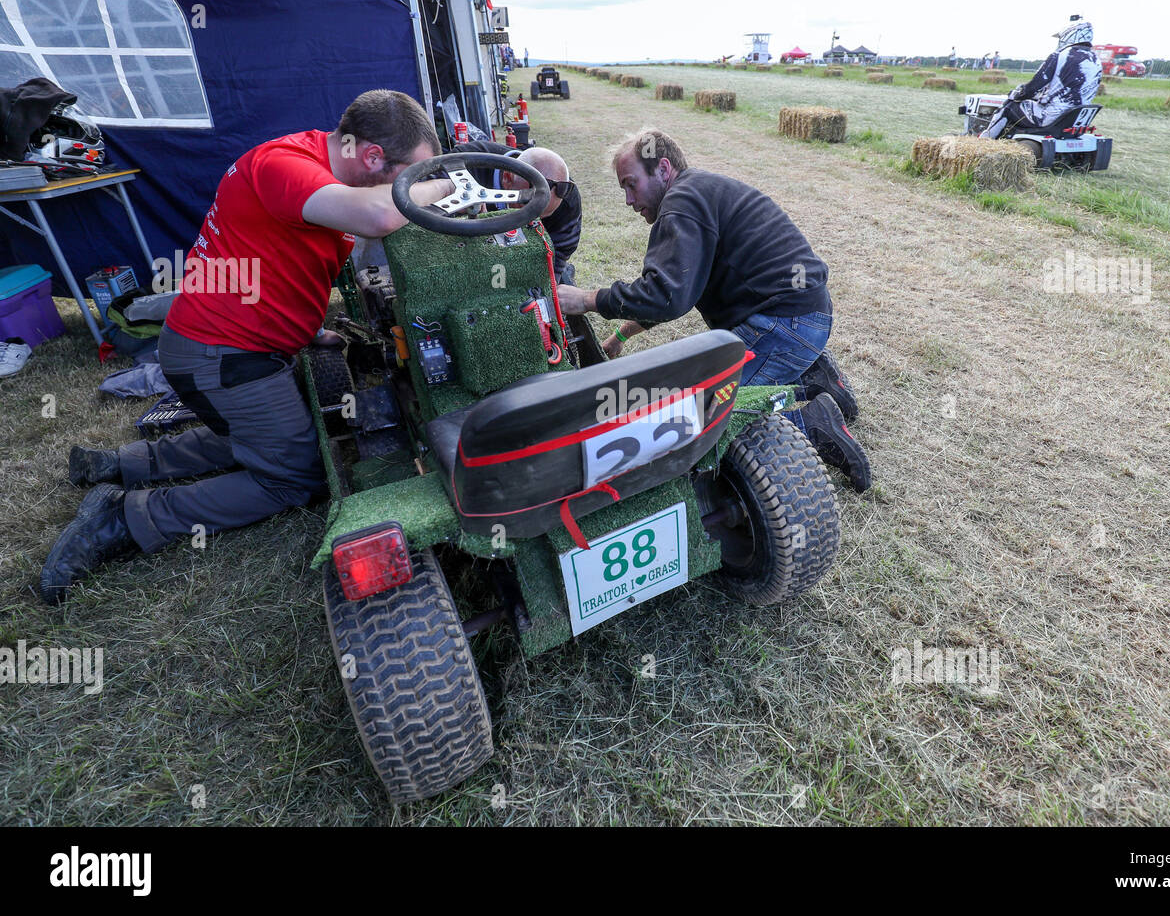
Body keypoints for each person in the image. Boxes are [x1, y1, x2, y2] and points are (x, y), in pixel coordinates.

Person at [40, 90, 455, 604]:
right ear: (372, 156)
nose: (408, 186)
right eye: (406, 175)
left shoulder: (315, 170)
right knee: (295, 477)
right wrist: (447, 183)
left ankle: (123, 462)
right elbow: (379, 217)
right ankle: (122, 517)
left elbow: (281, 261)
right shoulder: (283, 165)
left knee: (268, 432)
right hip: (219, 357)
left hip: (230, 351)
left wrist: (308, 331)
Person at [555, 130, 871, 492]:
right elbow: (681, 287)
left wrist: (586, 299)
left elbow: (665, 295)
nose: (628, 200)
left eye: (631, 184)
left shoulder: (681, 202)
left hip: (785, 324)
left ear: (662, 169)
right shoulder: (698, 191)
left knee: (698, 412)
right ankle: (814, 376)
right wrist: (620, 336)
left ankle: (813, 424)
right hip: (805, 313)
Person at [450, 140, 583, 282]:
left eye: (542, 218)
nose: (532, 223)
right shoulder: (466, 163)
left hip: (530, 257)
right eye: (526, 210)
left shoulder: (568, 200)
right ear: (507, 178)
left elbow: (560, 252)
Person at [979, 18, 1101, 140]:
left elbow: (1034, 86)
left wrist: (1018, 94)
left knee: (1009, 107)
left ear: (1070, 34)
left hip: (1052, 117)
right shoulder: (1096, 60)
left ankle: (984, 141)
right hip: (1074, 120)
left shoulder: (1061, 55)